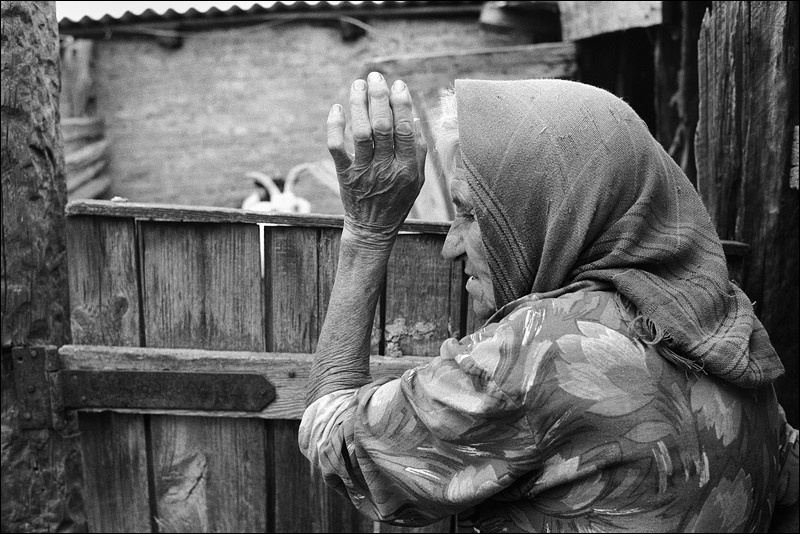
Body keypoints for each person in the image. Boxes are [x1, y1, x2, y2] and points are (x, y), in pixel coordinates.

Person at [298, 72, 798, 532]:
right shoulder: (728, 333)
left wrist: (367, 232)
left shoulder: (546, 348)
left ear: (550, 213)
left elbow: (337, 443)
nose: (452, 246)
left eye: (472, 214)